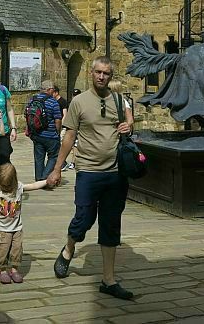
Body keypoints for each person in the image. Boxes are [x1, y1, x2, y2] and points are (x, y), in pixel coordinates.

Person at [46, 56, 136, 301]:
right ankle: (69, 249)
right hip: (87, 171)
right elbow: (69, 136)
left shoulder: (118, 100)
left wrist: (128, 126)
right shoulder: (79, 102)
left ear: (111, 76)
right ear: (91, 73)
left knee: (110, 224)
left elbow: (129, 120)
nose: (101, 76)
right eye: (98, 72)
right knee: (84, 218)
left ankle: (108, 280)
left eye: (106, 73)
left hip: (115, 172)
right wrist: (56, 169)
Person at [0, 163, 48, 284]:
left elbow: (33, 185)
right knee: (2, 250)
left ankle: (14, 269)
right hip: (1, 229)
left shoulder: (18, 188)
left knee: (17, 250)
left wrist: (46, 181)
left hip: (17, 227)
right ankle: (2, 270)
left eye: (8, 185)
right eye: (3, 185)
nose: (6, 188)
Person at [28, 80, 63, 181]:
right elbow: (58, 119)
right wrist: (57, 131)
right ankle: (45, 177)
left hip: (36, 134)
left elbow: (28, 115)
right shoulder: (53, 102)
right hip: (50, 135)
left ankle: (39, 178)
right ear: (50, 90)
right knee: (54, 156)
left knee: (39, 158)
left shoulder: (32, 100)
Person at [61, 88, 81, 172]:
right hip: (70, 127)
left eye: (77, 95)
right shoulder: (70, 104)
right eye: (74, 95)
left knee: (75, 146)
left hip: (78, 128)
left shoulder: (81, 104)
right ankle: (64, 162)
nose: (75, 97)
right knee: (67, 144)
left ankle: (73, 162)